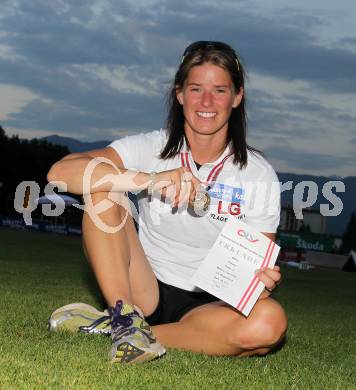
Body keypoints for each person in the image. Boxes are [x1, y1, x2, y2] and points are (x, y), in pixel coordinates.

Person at [47, 41, 287, 364]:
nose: (206, 101)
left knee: (269, 323)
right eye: (196, 88)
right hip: (145, 290)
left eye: (219, 90)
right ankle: (126, 317)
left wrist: (261, 285)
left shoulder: (258, 174)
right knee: (103, 187)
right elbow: (60, 173)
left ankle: (124, 330)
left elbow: (256, 270)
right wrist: (150, 180)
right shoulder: (154, 148)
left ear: (237, 96)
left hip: (210, 307)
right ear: (180, 94)